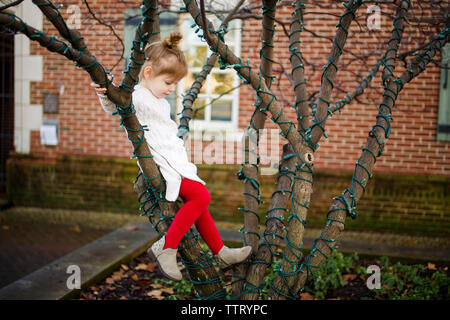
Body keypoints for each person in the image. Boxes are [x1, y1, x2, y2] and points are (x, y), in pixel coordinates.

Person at [91, 32, 251, 281]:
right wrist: (105, 91)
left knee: (199, 201)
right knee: (201, 195)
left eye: (175, 84)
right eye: (167, 82)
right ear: (148, 73)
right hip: (160, 163)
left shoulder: (161, 102)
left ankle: (220, 251)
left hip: (175, 161)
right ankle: (167, 247)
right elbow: (116, 104)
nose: (171, 88)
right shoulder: (138, 96)